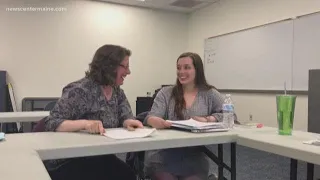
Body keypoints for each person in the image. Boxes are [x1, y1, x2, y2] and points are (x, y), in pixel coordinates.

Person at [44, 44, 143, 180]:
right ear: (109, 66)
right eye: (125, 67)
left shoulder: (117, 92)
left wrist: (128, 121)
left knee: (128, 175)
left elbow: (124, 115)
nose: (128, 72)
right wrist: (85, 124)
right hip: (71, 158)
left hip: (99, 155)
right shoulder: (79, 91)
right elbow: (52, 122)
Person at [144, 52, 225, 180]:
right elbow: (151, 117)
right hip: (163, 156)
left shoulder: (210, 94)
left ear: (197, 70)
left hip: (194, 157)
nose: (181, 71)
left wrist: (208, 119)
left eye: (187, 67)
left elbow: (229, 115)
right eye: (178, 68)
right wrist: (156, 121)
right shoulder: (166, 93)